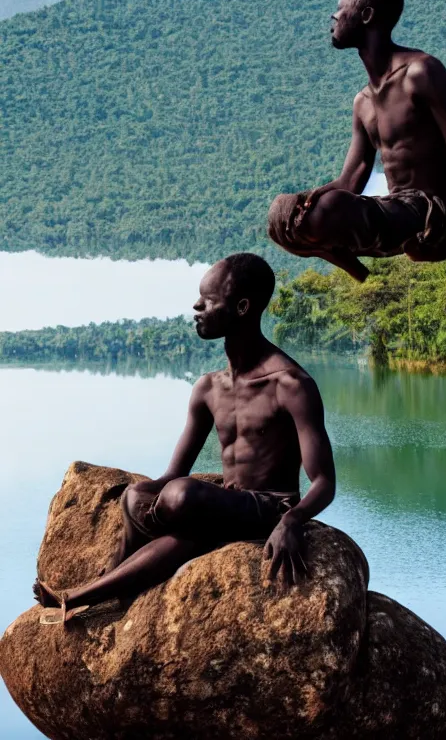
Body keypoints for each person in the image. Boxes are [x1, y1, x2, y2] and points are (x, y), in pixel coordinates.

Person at [33, 253, 336, 624]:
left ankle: (84, 595)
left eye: (208, 300)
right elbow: (172, 472)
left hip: (268, 509)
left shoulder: (291, 386)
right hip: (226, 508)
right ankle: (99, 591)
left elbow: (324, 482)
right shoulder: (209, 388)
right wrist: (140, 499)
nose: (196, 306)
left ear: (242, 307)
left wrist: (292, 521)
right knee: (137, 494)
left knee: (183, 496)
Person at [267, 0, 446, 319]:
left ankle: (437, 242)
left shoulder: (422, 74)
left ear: (367, 15)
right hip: (391, 209)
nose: (333, 18)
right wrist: (303, 204)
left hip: (428, 212)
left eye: (340, 10)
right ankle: (342, 256)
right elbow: (348, 183)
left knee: (328, 210)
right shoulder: (363, 102)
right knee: (283, 215)